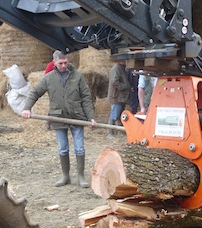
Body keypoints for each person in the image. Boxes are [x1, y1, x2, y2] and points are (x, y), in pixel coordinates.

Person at [21, 50, 96, 188]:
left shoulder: (77, 76)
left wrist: (90, 117)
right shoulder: (49, 78)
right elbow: (35, 92)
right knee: (63, 149)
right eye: (60, 63)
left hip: (76, 116)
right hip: (58, 117)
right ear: (54, 62)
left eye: (65, 63)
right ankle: (65, 176)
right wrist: (27, 108)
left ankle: (81, 176)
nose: (63, 66)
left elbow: (86, 97)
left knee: (79, 148)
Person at [107, 61, 131, 138]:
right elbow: (114, 81)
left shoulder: (122, 68)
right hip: (116, 96)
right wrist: (125, 86)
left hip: (120, 96)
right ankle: (110, 133)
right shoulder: (116, 68)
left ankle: (120, 132)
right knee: (114, 115)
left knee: (119, 114)